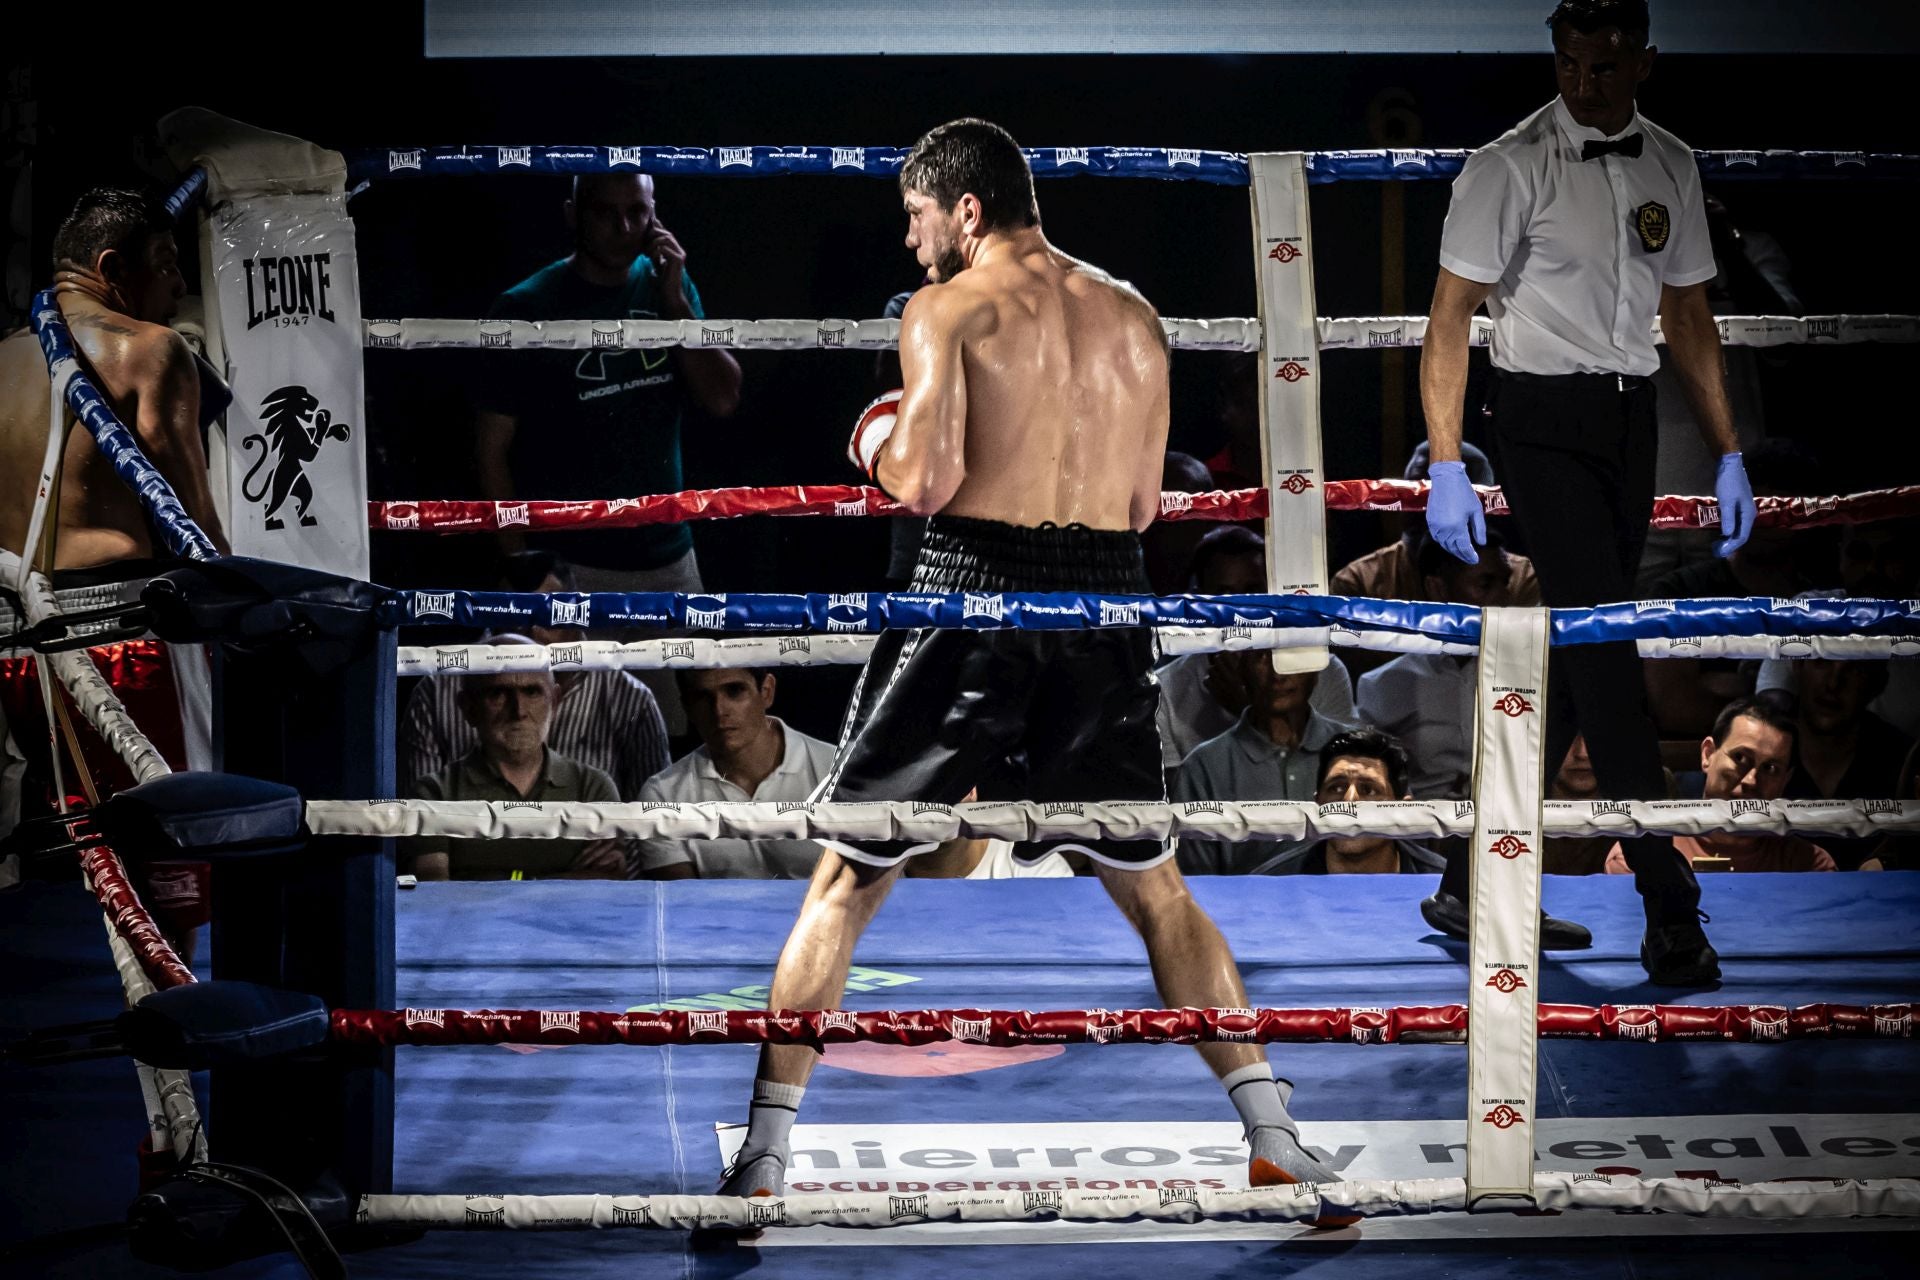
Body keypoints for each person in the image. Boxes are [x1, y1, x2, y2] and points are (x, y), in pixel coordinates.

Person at [722, 118, 1352, 1221]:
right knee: (1156, 889)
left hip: (977, 594)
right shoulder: (1137, 316)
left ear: (966, 209)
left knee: (844, 880)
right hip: (1104, 599)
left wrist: (871, 436)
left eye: (918, 218)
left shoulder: (949, 308)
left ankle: (764, 1159)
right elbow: (1148, 506)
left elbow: (924, 480)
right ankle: (1275, 1136)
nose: (913, 244)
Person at [1419, 0, 1756, 986]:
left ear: (1643, 64)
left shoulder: (1671, 165)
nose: (1581, 83)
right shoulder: (1507, 164)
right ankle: (1670, 902)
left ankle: (1463, 880)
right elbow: (1449, 318)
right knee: (1608, 647)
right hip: (1536, 422)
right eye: (1567, 63)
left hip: (1628, 418)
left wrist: (1731, 449)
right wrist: (1445, 460)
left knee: (1576, 653)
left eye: (1604, 67)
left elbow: (1688, 315)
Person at [473, 173, 742, 731]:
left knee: (677, 737)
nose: (624, 228)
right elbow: (492, 449)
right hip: (571, 566)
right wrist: (522, 567)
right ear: (573, 212)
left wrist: (675, 305)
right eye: (607, 214)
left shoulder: (669, 287)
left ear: (655, 215)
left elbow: (722, 397)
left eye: (637, 213)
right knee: (570, 740)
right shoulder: (526, 307)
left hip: (667, 558)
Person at [398, 554, 669, 797]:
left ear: (577, 615)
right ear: (493, 621)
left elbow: (650, 817)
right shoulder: (436, 691)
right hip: (468, 847)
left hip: (592, 844)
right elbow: (419, 816)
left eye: (548, 618)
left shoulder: (630, 699)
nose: (533, 635)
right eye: (516, 621)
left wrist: (617, 843)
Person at [1154, 525, 1356, 775]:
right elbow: (1180, 799)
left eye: (1253, 591)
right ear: (1198, 603)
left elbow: (1338, 780)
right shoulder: (1165, 689)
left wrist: (1247, 709)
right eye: (1225, 595)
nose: (1243, 610)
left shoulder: (1324, 671)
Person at [405, 665, 627, 881]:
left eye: (532, 692)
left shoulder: (593, 789)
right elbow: (435, 895)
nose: (518, 711)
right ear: (468, 707)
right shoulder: (434, 794)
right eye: (498, 693)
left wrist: (488, 880)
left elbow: (606, 884)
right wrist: (561, 879)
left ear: (555, 701)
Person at [631, 668, 836, 880]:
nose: (719, 710)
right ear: (687, 707)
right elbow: (682, 904)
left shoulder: (837, 771)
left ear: (766, 692)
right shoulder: (662, 794)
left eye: (735, 691)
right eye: (702, 696)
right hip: (710, 913)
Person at [1171, 646, 1356, 875]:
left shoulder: (1365, 753)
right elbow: (1198, 883)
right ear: (1242, 667)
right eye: (1263, 657)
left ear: (1316, 668)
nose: (1278, 674)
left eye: (1292, 655)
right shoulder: (1201, 768)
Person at [1356, 533, 1515, 798]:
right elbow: (1372, 785)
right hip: (1422, 831)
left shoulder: (1533, 673)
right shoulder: (1385, 685)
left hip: (1514, 827)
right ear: (1437, 589)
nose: (1504, 597)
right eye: (1486, 584)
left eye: (1506, 583)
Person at [1605, 694, 1834, 873]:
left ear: (1786, 780)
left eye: (1771, 769)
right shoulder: (1639, 858)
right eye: (1740, 758)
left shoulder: (1810, 866)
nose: (1751, 781)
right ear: (1708, 755)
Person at [1777, 660, 1912, 870]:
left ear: (1878, 683)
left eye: (1855, 668)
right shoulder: (1759, 750)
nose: (1833, 683)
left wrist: (1889, 862)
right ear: (1797, 665)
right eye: (1822, 662)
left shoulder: (1902, 760)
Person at [1259, 730, 1448, 875]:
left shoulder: (1442, 884)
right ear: (1317, 803)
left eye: (1369, 790)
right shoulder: (1272, 884)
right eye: (1337, 788)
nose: (1349, 801)